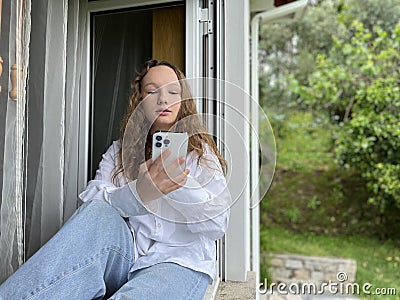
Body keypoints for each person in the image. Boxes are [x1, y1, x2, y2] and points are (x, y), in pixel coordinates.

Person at [0, 59, 231, 300]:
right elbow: (90, 203)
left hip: (179, 262)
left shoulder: (201, 154)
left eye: (173, 91)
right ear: (140, 101)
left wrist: (177, 184)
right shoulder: (120, 151)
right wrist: (138, 193)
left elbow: (217, 224)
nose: (163, 99)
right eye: (152, 91)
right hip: (126, 255)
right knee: (99, 213)